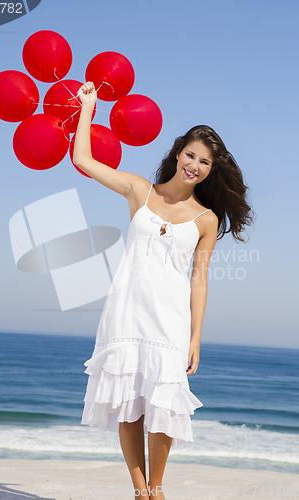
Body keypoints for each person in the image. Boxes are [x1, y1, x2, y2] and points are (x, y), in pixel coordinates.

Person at [73, 82, 254, 500]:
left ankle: (158, 485)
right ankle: (140, 491)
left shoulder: (205, 219)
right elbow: (83, 159)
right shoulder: (140, 191)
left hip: (170, 319)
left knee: (164, 408)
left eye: (204, 162)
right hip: (126, 311)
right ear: (177, 154)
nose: (194, 165)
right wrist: (89, 108)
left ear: (210, 170)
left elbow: (199, 278)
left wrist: (195, 336)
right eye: (190, 155)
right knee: (129, 404)